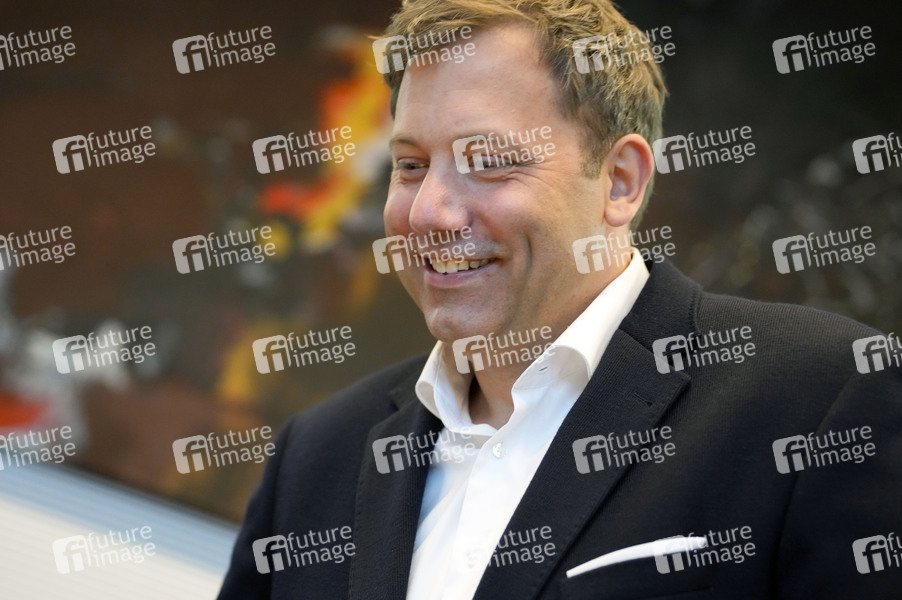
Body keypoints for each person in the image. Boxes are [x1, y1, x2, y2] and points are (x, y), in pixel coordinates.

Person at [218, 1, 902, 598]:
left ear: (620, 180)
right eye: (411, 165)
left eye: (487, 161)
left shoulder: (818, 396)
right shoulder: (317, 455)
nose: (426, 212)